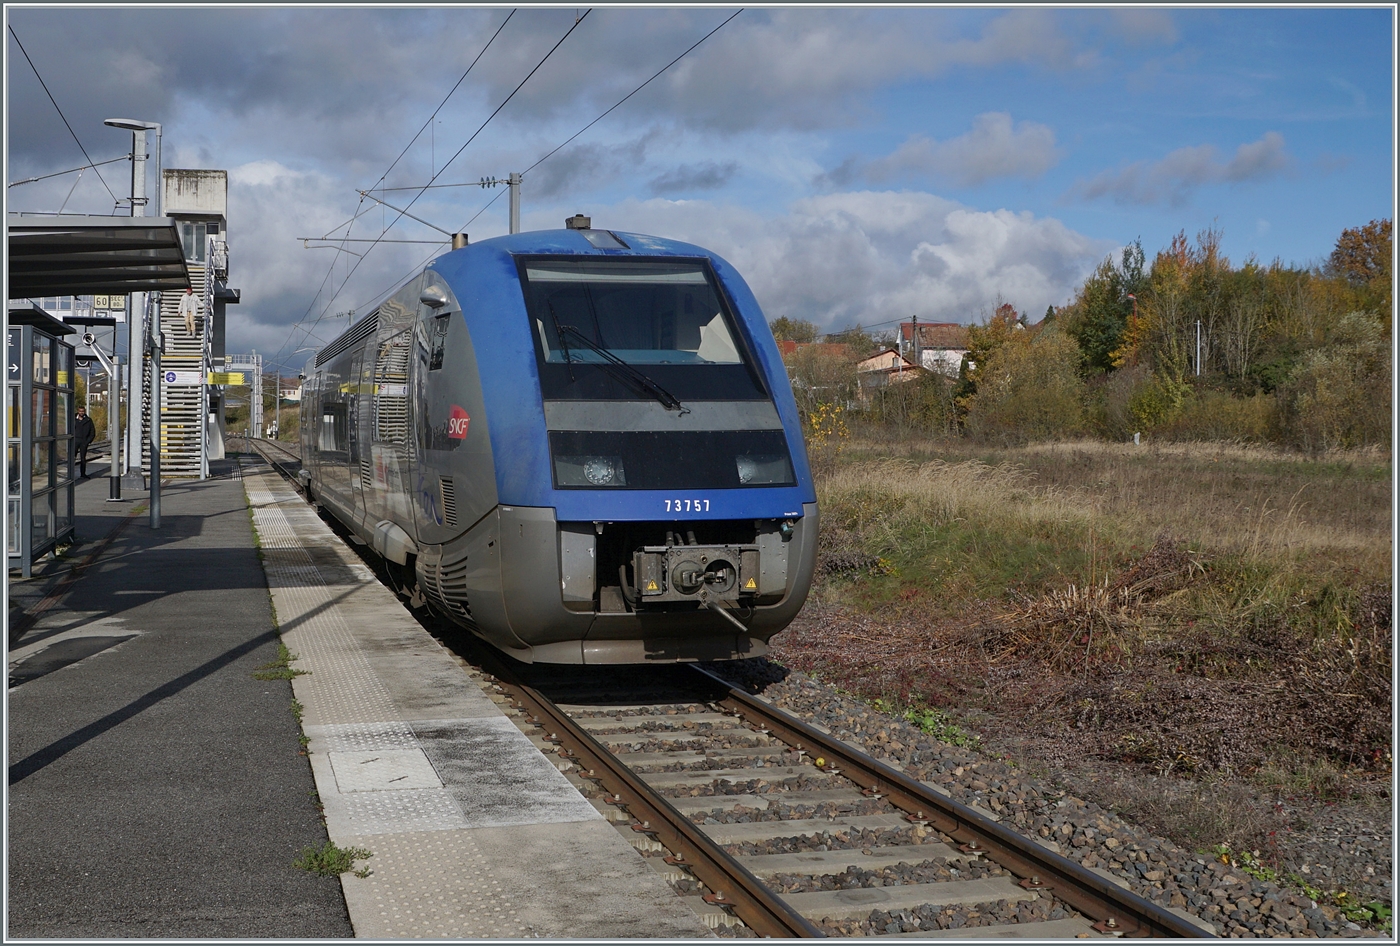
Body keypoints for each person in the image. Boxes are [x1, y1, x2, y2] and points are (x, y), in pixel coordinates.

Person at [74, 406, 96, 479]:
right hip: (75, 440)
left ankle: (83, 474)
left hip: (84, 441)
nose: (81, 413)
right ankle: (70, 473)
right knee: (72, 457)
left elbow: (92, 432)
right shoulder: (73, 419)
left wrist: (88, 441)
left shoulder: (88, 420)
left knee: (83, 458)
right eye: (80, 411)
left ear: (84, 411)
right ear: (78, 411)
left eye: (82, 411)